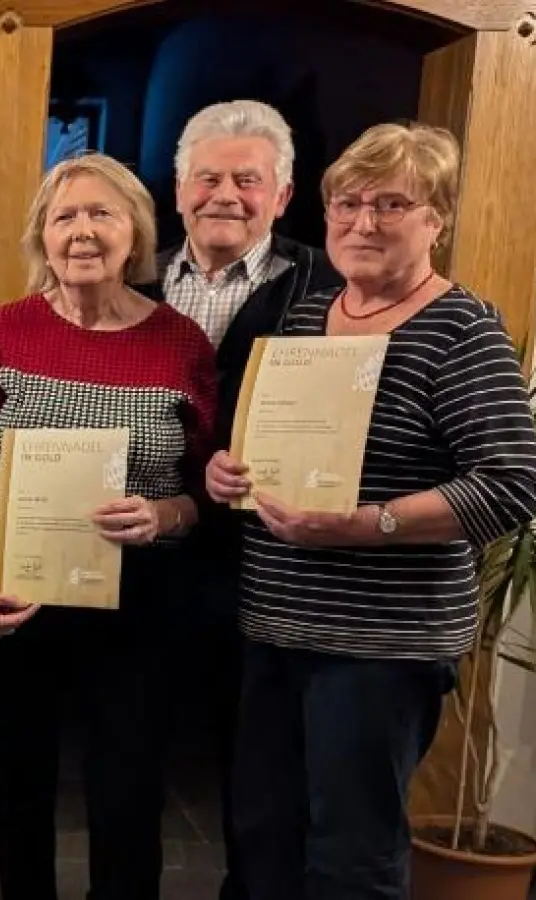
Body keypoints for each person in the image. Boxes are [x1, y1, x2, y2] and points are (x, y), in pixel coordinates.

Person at [205, 123, 536, 900]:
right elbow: (260, 448)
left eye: (392, 203)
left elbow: (512, 482)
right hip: (274, 628)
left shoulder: (461, 330)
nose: (364, 221)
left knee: (351, 855)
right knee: (262, 837)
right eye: (347, 202)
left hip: (380, 649)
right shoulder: (298, 317)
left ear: (436, 219)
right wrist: (230, 473)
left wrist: (368, 523)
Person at [0, 152, 218, 900]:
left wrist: (164, 513)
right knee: (20, 784)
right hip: (21, 594)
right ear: (43, 235)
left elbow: (210, 489)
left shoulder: (182, 342)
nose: (83, 232)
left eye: (103, 214)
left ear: (136, 234)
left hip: (142, 602)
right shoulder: (8, 329)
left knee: (127, 791)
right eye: (65, 216)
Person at [145, 98, 342, 900]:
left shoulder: (330, 288)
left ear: (284, 194)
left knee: (261, 765)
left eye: (247, 179)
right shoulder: (136, 277)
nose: (225, 194)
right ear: (179, 185)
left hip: (274, 562)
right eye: (208, 177)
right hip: (145, 548)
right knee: (133, 743)